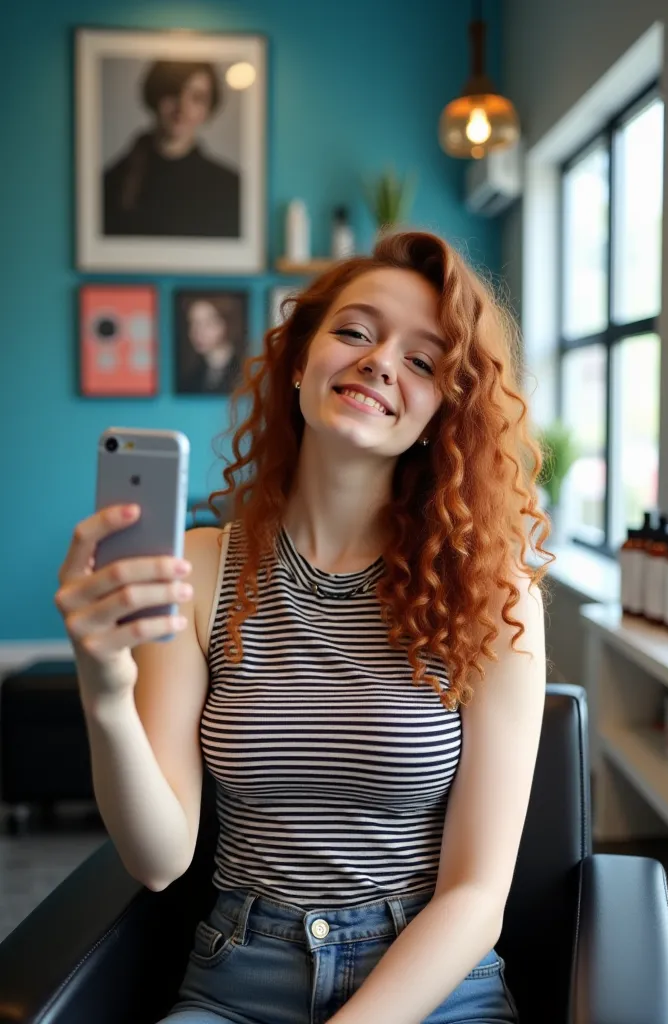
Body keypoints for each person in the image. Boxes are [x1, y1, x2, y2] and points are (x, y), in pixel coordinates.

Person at [55, 230, 552, 1024]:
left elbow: (476, 895)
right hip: (238, 977)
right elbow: (159, 860)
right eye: (354, 331)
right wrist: (106, 689)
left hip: (429, 981)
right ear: (298, 361)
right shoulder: (203, 570)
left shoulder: (494, 596)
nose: (381, 361)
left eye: (422, 361)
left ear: (439, 415)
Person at [103, 61, 240, 238]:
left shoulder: (229, 187)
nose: (182, 108)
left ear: (207, 109)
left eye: (197, 98)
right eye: (173, 93)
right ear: (155, 97)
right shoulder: (114, 181)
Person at [177, 295, 244, 395]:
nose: (197, 332)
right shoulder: (191, 378)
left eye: (208, 323)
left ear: (227, 324)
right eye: (193, 323)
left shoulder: (244, 373)